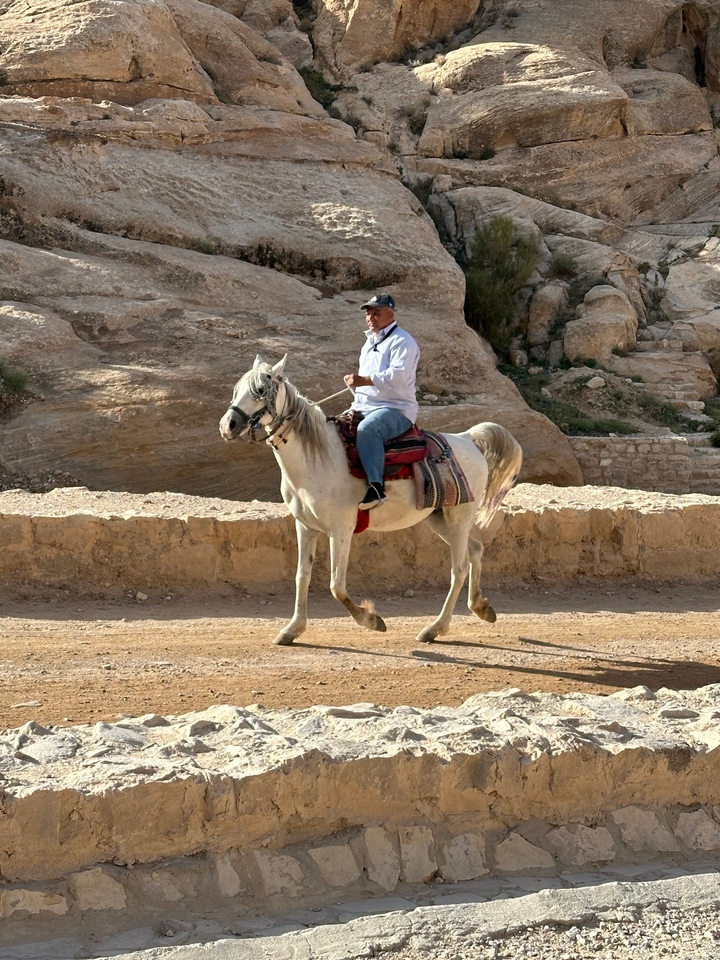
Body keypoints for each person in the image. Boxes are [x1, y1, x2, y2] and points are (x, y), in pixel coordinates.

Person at [344, 294, 420, 509]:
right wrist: (355, 388)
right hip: (364, 406)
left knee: (368, 430)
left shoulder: (403, 341)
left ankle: (376, 488)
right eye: (368, 313)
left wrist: (363, 380)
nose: (371, 317)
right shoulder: (368, 344)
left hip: (396, 408)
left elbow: (398, 376)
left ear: (391, 314)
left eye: (376, 312)